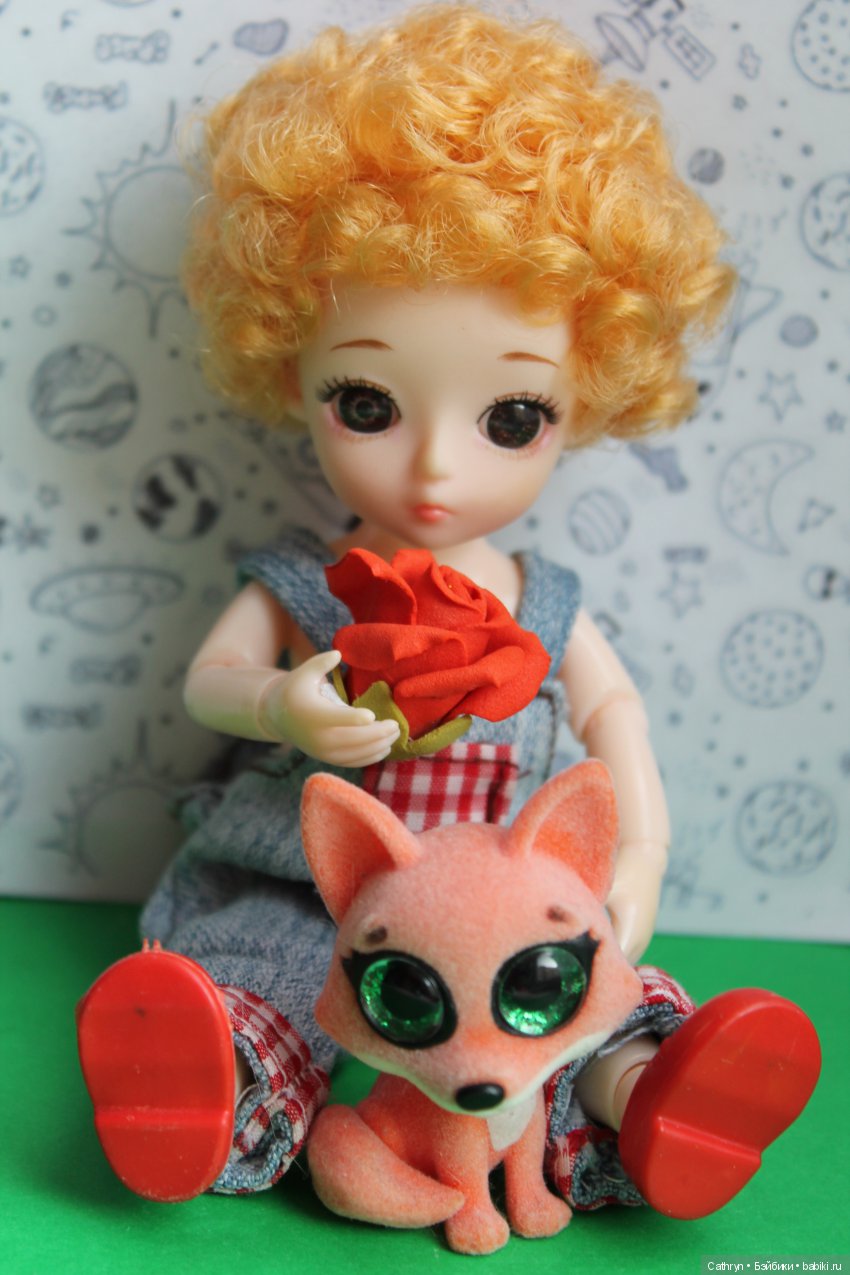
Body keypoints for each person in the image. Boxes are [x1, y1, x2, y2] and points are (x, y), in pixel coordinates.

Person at [76, 4, 818, 1220]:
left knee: (572, 998)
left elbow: (616, 722)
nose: (432, 469)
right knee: (266, 965)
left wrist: (639, 859)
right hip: (313, 884)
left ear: (590, 393)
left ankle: (649, 1094)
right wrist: (283, 705)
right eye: (366, 404)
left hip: (508, 905)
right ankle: (217, 1081)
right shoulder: (304, 583)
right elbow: (212, 682)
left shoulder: (546, 603)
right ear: (289, 367)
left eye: (510, 418)